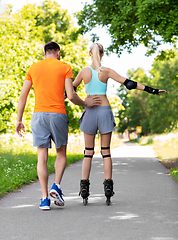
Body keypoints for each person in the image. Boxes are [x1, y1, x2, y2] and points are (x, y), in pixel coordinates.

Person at [72, 42, 166, 205]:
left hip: (89, 111)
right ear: (102, 54)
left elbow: (69, 92)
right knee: (105, 152)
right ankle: (108, 188)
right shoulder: (106, 71)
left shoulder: (84, 72)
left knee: (88, 152)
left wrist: (83, 101)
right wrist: (152, 90)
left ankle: (84, 188)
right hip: (104, 111)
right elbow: (129, 84)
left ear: (89, 54)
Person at [15, 41, 101, 210]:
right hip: (58, 114)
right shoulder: (64, 67)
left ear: (44, 53)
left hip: (38, 115)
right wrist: (85, 103)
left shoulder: (33, 67)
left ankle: (44, 198)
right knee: (61, 152)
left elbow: (23, 95)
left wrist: (19, 120)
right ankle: (56, 186)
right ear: (58, 53)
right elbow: (70, 95)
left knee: (42, 156)